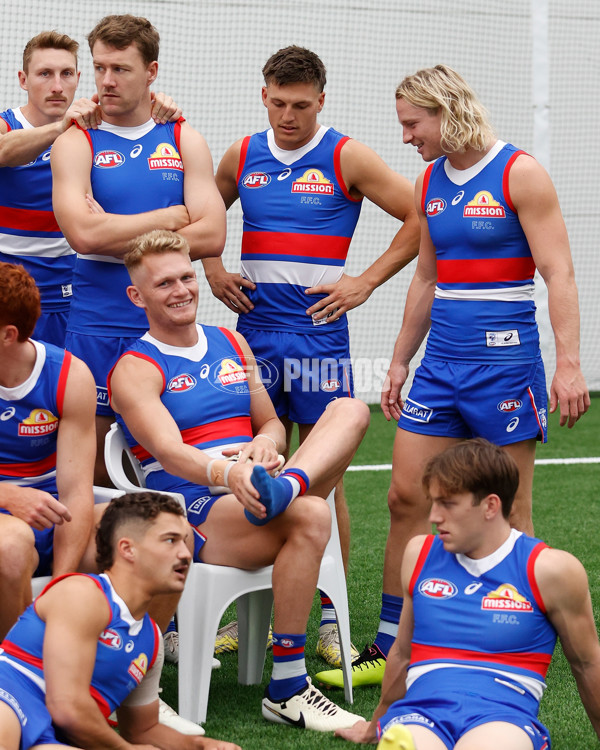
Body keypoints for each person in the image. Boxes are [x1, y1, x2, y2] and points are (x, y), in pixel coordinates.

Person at [316, 63, 590, 690]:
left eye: (414, 124)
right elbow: (425, 277)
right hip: (441, 364)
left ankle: (505, 640)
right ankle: (389, 645)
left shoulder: (519, 172)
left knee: (511, 507)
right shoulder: (430, 181)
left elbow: (560, 273)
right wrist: (400, 359)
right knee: (405, 495)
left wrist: (568, 362)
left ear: (444, 112)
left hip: (505, 363)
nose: (408, 137)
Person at [204, 44, 419, 668]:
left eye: (300, 105)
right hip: (254, 333)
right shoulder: (243, 153)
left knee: (322, 482)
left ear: (321, 100)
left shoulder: (344, 153)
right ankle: (237, 618)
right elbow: (206, 209)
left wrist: (366, 282)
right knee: (246, 466)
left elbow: (418, 215)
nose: (288, 116)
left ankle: (327, 620)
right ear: (263, 95)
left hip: (320, 333)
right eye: (278, 103)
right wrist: (213, 266)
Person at [107, 228, 370, 731]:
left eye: (187, 276)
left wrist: (266, 446)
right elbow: (168, 452)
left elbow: (269, 422)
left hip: (258, 486)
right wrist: (231, 472)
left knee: (350, 409)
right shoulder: (134, 368)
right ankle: (289, 688)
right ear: (137, 296)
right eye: (165, 284)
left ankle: (287, 486)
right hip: (195, 509)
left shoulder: (231, 340)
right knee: (314, 513)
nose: (182, 290)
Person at [50, 14, 226, 486]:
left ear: (151, 71)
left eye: (121, 69)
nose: (106, 80)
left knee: (179, 457)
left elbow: (213, 235)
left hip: (170, 325)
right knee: (96, 474)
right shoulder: (75, 140)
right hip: (96, 325)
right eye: (100, 67)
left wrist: (113, 228)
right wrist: (168, 218)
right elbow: (83, 237)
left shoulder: (184, 138)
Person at [336, 438, 600, 749]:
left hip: (503, 717)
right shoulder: (419, 554)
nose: (434, 516)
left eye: (447, 504)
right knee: (404, 743)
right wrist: (375, 725)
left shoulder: (550, 570)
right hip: (421, 713)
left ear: (490, 505)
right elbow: (403, 654)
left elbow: (587, 664)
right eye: (433, 502)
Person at [0, 490, 241, 750]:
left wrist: (199, 746)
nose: (185, 554)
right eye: (170, 541)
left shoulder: (151, 642)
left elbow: (142, 730)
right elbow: (67, 707)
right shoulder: (83, 594)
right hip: (9, 700)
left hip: (51, 737)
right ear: (128, 549)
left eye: (185, 541)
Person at [0, 30, 180, 348]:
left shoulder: (93, 127)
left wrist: (157, 102)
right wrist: (58, 128)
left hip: (74, 294)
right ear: (23, 79)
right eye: (44, 74)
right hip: (10, 293)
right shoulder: (10, 125)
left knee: (67, 391)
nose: (57, 86)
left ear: (78, 77)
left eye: (66, 73)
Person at [0, 260, 95, 641]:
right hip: (11, 523)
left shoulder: (69, 375)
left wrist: (62, 581)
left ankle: (139, 688)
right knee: (11, 546)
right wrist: (10, 496)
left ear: (8, 335)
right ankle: (19, 675)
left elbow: (76, 491)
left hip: (52, 514)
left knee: (153, 532)